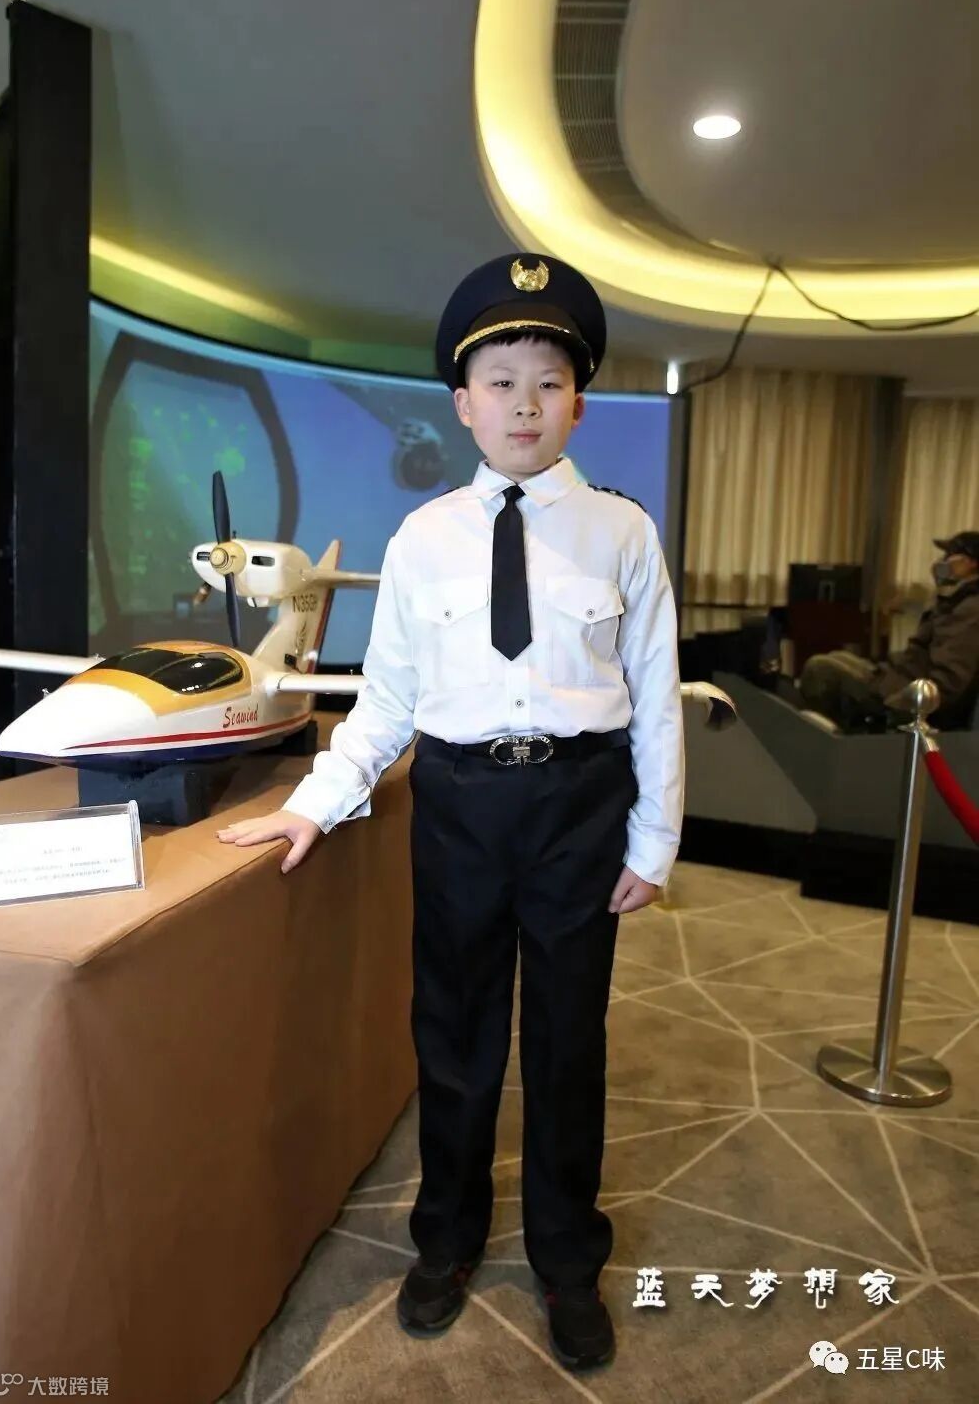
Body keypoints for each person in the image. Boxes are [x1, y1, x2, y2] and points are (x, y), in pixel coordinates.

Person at [217, 252, 685, 1371]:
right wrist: (315, 805)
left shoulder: (621, 533)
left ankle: (567, 1258)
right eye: (500, 382)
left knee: (567, 1042)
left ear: (578, 402)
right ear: (462, 404)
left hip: (580, 804)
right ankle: (447, 1240)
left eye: (548, 382)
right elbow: (386, 702)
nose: (525, 403)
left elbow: (657, 694)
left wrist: (654, 837)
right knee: (457, 1034)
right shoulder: (421, 538)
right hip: (461, 805)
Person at [798, 532, 979, 731]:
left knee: (819, 669)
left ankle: (838, 741)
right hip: (900, 679)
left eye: (949, 555)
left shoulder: (970, 609)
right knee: (837, 657)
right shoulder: (955, 599)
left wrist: (896, 704)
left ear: (971, 563)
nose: (942, 562)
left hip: (906, 696)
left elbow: (948, 682)